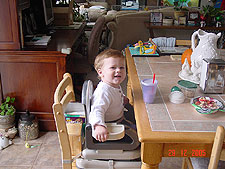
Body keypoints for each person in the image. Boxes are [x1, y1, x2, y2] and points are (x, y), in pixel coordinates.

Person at [89, 48, 132, 142]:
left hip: (118, 119)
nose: (118, 70)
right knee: (139, 135)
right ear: (100, 72)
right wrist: (99, 126)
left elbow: (115, 94)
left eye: (122, 67)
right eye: (113, 67)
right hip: (110, 127)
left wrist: (122, 98)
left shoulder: (113, 84)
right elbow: (96, 110)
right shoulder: (103, 92)